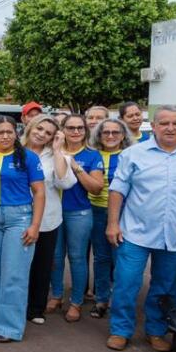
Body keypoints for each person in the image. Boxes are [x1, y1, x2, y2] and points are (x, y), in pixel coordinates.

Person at [104, 106, 176, 352]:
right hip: (135, 232)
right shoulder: (133, 154)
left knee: (165, 286)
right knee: (126, 283)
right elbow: (117, 190)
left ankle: (155, 331)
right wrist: (113, 223)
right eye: (164, 123)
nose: (170, 128)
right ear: (154, 126)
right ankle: (120, 330)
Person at [0, 116, 45, 343]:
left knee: (14, 274)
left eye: (10, 132)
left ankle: (9, 328)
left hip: (19, 218)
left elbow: (39, 192)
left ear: (16, 133)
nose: (5, 136)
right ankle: (1, 318)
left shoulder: (28, 157)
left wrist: (35, 225)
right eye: (0, 132)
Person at [48, 113, 104, 321]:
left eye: (80, 128)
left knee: (77, 257)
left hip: (78, 213)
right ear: (62, 130)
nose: (76, 131)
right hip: (53, 211)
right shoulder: (51, 151)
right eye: (70, 128)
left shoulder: (92, 155)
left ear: (86, 130)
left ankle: (76, 302)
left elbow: (96, 188)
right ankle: (56, 295)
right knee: (55, 257)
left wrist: (75, 166)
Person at [23, 115, 76, 325]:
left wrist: (57, 150)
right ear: (31, 127)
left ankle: (36, 308)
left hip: (47, 218)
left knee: (42, 265)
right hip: (16, 215)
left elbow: (64, 183)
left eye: (48, 133)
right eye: (39, 129)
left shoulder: (57, 156)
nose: (41, 134)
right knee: (14, 264)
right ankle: (11, 304)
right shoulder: (14, 149)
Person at [87, 117, 132, 318]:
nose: (111, 136)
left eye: (116, 132)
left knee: (121, 258)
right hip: (96, 211)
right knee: (101, 257)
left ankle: (118, 300)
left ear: (123, 135)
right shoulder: (92, 154)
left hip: (123, 213)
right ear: (99, 135)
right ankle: (101, 299)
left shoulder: (130, 155)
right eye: (106, 132)